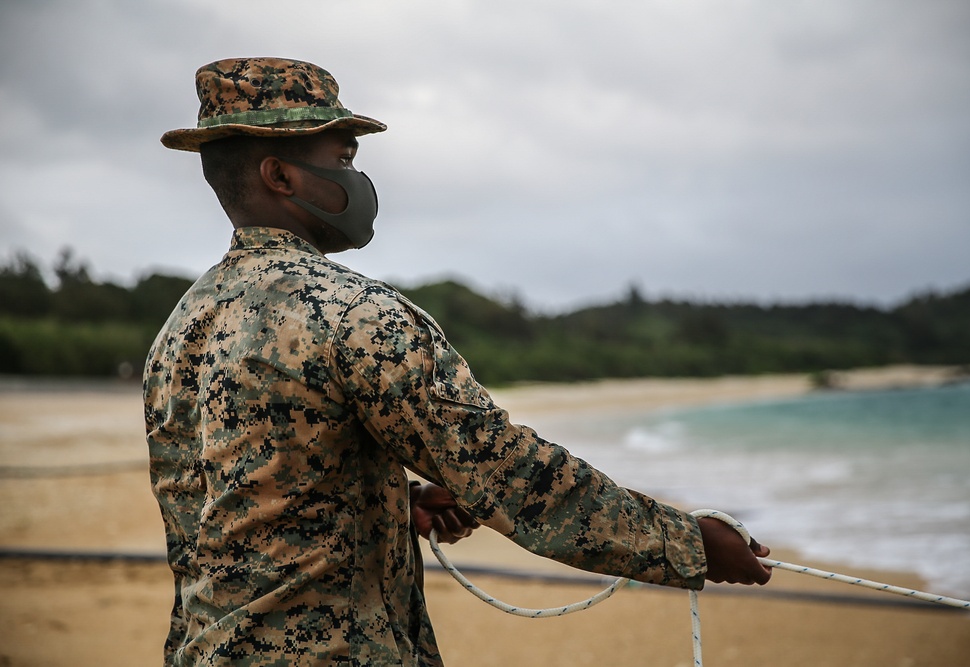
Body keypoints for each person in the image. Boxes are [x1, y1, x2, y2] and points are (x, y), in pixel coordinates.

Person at [145, 56, 771, 666]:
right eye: (342, 159)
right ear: (279, 176)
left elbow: (231, 496)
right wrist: (685, 543)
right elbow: (508, 472)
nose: (358, 181)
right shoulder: (355, 315)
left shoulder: (180, 328)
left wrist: (388, 497)